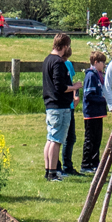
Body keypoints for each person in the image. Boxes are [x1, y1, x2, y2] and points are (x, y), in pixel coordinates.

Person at [41, 33, 79, 182]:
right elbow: (60, 86)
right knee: (56, 140)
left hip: (51, 105)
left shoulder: (47, 60)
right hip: (59, 105)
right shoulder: (57, 62)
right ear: (65, 46)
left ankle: (48, 170)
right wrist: (74, 87)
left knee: (50, 138)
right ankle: (53, 172)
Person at [80, 51, 108, 174]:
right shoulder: (91, 76)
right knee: (90, 139)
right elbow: (89, 95)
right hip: (91, 113)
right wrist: (103, 100)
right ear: (96, 62)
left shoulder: (98, 75)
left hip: (98, 113)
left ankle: (95, 163)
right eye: (102, 63)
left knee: (97, 139)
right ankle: (86, 164)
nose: (104, 65)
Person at [61, 52, 80, 176]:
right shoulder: (59, 64)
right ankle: (59, 166)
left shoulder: (68, 64)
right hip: (62, 105)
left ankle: (68, 165)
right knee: (60, 137)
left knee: (71, 137)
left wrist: (76, 95)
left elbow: (73, 83)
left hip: (71, 105)